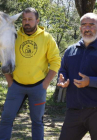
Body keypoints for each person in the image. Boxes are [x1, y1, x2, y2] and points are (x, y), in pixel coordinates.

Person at [0, 7, 61, 140]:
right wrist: (9, 81)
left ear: (37, 20)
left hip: (38, 87)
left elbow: (55, 61)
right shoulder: (14, 36)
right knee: (6, 119)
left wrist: (46, 83)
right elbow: (4, 57)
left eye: (30, 19)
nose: (27, 22)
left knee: (37, 122)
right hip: (16, 87)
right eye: (24, 19)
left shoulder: (47, 38)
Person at [57, 12, 97, 140]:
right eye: (84, 25)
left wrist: (90, 81)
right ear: (80, 28)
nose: (87, 28)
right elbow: (63, 70)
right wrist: (62, 79)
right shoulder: (70, 50)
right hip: (74, 110)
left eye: (91, 25)